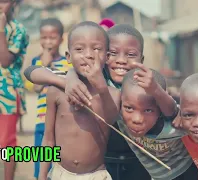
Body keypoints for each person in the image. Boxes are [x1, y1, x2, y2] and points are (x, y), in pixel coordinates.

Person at [24, 24, 198, 179]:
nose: (121, 60)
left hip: (142, 166)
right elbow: (31, 71)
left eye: (131, 54)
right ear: (105, 55)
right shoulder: (91, 80)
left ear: (142, 59)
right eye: (113, 53)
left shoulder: (146, 87)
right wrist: (67, 78)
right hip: (105, 166)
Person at [38, 21, 120, 180]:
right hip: (60, 173)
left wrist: (101, 88)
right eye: (79, 49)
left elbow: (111, 119)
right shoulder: (56, 92)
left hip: (96, 175)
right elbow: (48, 139)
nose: (88, 55)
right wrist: (41, 176)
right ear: (68, 57)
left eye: (96, 49)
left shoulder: (112, 94)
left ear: (107, 56)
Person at [29, 18, 72, 179]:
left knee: (61, 163)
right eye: (44, 38)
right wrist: (44, 67)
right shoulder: (36, 62)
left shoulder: (67, 63)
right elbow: (36, 88)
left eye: (52, 38)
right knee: (41, 161)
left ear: (61, 39)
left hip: (61, 121)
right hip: (42, 120)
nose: (48, 42)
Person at [0, 1, 29, 180]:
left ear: (14, 3)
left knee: (6, 143)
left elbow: (5, 61)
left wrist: (0, 29)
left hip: (8, 92)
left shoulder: (19, 30)